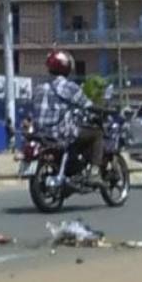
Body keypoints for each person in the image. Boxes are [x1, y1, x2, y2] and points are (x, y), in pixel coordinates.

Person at [34, 49, 105, 186]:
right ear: (66, 67)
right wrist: (99, 109)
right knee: (97, 134)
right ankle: (94, 173)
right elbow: (87, 105)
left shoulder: (39, 87)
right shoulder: (69, 87)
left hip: (41, 134)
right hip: (61, 133)